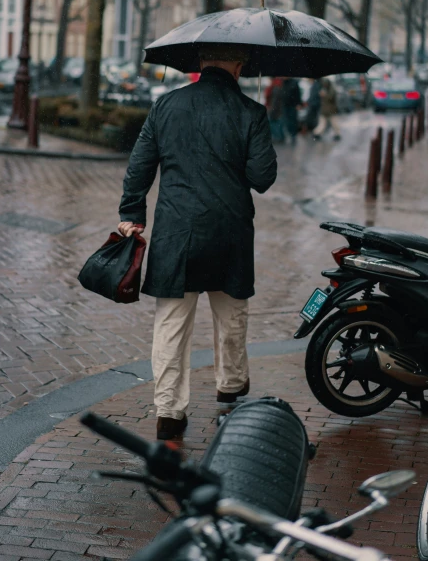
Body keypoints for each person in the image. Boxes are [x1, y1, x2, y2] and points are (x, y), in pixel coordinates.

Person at [117, 44, 278, 440]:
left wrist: (132, 214)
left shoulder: (166, 106)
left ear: (201, 63)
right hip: (229, 232)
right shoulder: (251, 112)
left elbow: (140, 165)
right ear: (239, 66)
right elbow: (263, 178)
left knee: (171, 325)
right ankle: (230, 389)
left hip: (177, 231)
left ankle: (169, 413)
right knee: (231, 317)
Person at [282, 78, 302, 146]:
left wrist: (298, 104)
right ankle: (290, 134)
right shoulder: (283, 83)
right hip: (285, 105)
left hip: (293, 105)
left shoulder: (294, 83)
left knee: (293, 120)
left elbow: (298, 94)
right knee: (287, 121)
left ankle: (293, 135)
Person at [266, 77, 285, 143]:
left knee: (274, 124)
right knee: (278, 124)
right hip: (278, 110)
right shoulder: (278, 87)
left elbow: (274, 101)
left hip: (275, 110)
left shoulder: (275, 88)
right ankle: (280, 137)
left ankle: (278, 138)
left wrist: (272, 109)